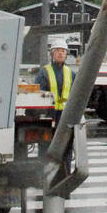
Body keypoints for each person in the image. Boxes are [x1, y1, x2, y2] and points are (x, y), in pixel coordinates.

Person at [36, 38, 74, 168]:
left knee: (66, 146)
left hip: (66, 115)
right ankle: (45, 174)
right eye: (57, 50)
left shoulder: (71, 73)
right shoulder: (44, 72)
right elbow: (38, 93)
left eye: (63, 51)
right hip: (49, 115)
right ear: (52, 54)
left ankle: (65, 173)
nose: (60, 53)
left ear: (66, 54)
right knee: (46, 146)